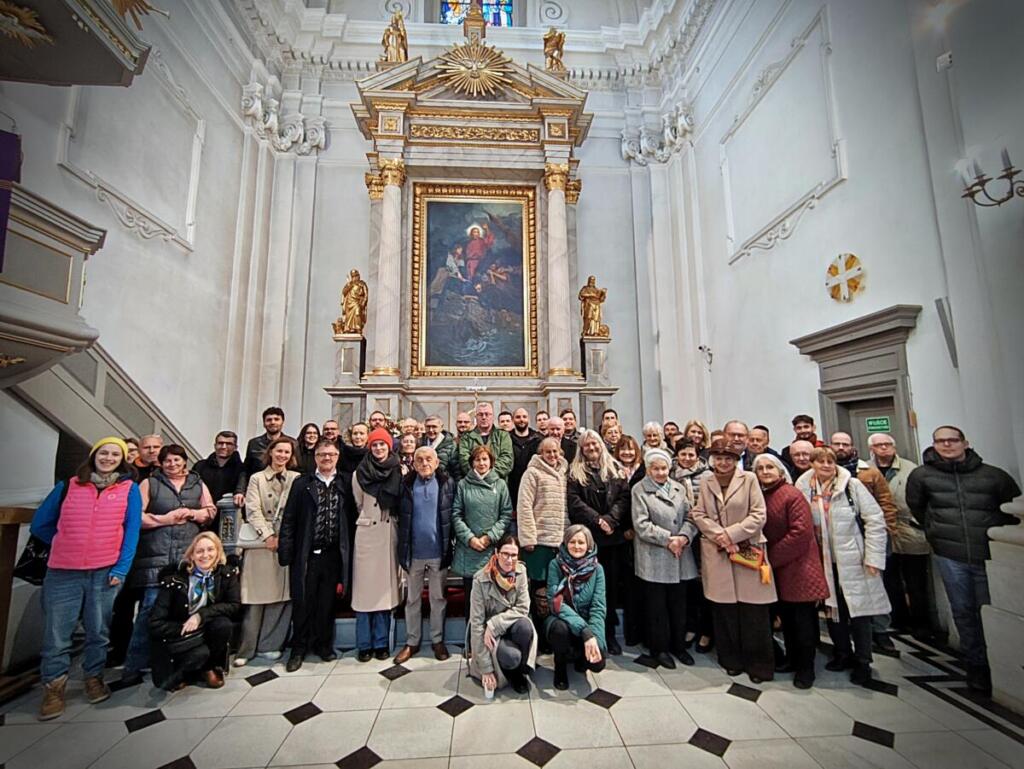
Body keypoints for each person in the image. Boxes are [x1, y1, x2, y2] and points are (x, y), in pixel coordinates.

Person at [31, 437, 141, 720]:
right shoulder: (68, 486)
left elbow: (131, 531)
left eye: (115, 454)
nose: (108, 458)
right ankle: (53, 687)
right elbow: (40, 524)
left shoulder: (128, 489)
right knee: (56, 632)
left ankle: (94, 677)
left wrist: (121, 568)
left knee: (98, 629)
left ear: (122, 460)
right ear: (94, 455)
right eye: (104, 452)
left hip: (105, 570)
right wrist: (66, 543)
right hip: (63, 570)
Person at [906, 426, 1020, 694]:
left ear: (965, 443)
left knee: (991, 609)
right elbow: (918, 508)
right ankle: (976, 664)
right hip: (950, 553)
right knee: (963, 610)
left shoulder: (993, 476)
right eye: (940, 441)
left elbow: (1011, 510)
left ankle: (1004, 664)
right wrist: (936, 532)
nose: (947, 445)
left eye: (952, 440)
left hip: (988, 553)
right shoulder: (922, 476)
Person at [795, 447, 890, 685]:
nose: (826, 465)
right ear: (812, 464)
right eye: (820, 461)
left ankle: (863, 661)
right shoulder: (804, 487)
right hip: (821, 560)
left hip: (854, 559)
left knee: (859, 612)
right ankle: (842, 652)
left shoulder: (852, 486)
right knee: (833, 609)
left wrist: (874, 557)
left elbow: (874, 520)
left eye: (830, 461)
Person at [122, 445, 215, 685]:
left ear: (184, 461)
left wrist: (192, 513)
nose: (172, 464)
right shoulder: (150, 484)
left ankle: (182, 665)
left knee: (189, 610)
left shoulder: (197, 483)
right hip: (157, 554)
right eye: (167, 461)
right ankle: (134, 665)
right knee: (150, 611)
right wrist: (164, 519)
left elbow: (210, 511)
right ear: (161, 463)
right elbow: (135, 516)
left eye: (176, 460)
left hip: (187, 556)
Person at [691, 438, 777, 683]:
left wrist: (731, 534)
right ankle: (731, 660)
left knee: (753, 612)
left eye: (728, 458)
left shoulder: (749, 479)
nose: (723, 462)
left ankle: (759, 665)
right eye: (719, 458)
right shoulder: (707, 481)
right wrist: (720, 536)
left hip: (747, 548)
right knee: (724, 610)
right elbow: (699, 513)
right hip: (718, 552)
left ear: (736, 460)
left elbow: (758, 515)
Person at [278, 438, 354, 672]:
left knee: (326, 603)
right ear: (315, 457)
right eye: (322, 454)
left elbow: (351, 517)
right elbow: (289, 518)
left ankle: (323, 645)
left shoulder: (345, 482)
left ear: (337, 457)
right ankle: (298, 649)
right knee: (303, 602)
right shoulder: (302, 483)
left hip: (333, 555)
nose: (327, 458)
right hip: (307, 554)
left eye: (331, 454)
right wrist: (286, 550)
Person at [754, 453, 828, 689]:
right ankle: (792, 659)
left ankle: (806, 669)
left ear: (780, 471)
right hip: (778, 569)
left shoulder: (791, 494)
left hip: (799, 567)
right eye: (760, 468)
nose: (765, 472)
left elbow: (800, 533)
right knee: (787, 619)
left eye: (770, 467)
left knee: (803, 622)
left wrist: (770, 558)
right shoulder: (762, 495)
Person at [829, 431, 899, 651]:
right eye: (836, 444)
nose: (841, 447)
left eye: (845, 444)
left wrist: (887, 532)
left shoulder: (868, 472)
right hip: (841, 542)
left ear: (853, 446)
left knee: (875, 587)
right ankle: (852, 637)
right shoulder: (821, 474)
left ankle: (880, 631)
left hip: (867, 538)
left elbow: (885, 503)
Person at [632, 447, 698, 669]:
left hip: (680, 554)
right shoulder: (640, 490)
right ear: (648, 469)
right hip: (656, 556)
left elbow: (691, 517)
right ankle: (659, 649)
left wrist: (683, 538)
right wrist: (669, 539)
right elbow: (641, 524)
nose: (661, 473)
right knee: (657, 609)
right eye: (656, 469)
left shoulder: (679, 488)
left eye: (664, 468)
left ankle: (679, 646)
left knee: (679, 605)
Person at [148, 532, 241, 691]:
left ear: (218, 552)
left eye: (210, 549)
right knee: (197, 654)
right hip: (179, 632)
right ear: (191, 555)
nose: (205, 555)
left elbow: (234, 605)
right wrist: (184, 628)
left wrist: (200, 616)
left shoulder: (225, 575)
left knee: (223, 625)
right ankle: (184, 672)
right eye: (199, 551)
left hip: (204, 625)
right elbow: (155, 623)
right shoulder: (175, 580)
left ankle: (208, 667)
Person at [235, 436, 299, 667]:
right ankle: (247, 647)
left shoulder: (295, 478)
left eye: (287, 452)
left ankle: (270, 644)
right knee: (255, 597)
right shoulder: (257, 478)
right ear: (270, 452)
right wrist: (268, 535)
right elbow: (252, 510)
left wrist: (285, 537)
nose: (282, 455)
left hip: (287, 541)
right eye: (279, 451)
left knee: (281, 597)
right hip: (262, 543)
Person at [568, 430, 630, 656]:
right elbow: (574, 502)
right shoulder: (574, 472)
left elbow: (624, 497)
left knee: (610, 589)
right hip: (587, 539)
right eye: (587, 445)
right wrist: (597, 520)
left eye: (594, 444)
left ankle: (609, 634)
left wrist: (611, 520)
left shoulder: (615, 469)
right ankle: (587, 634)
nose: (592, 448)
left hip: (612, 539)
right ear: (581, 449)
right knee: (586, 589)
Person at [868, 433, 932, 639]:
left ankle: (921, 623)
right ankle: (898, 619)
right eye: (879, 445)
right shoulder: (866, 470)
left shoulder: (910, 468)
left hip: (909, 529)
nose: (883, 448)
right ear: (871, 449)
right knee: (889, 579)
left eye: (887, 444)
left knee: (916, 580)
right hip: (881, 531)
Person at [394, 447, 454, 663]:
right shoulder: (406, 484)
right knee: (412, 600)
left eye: (429, 459)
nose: (424, 463)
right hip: (414, 553)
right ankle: (412, 642)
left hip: (438, 552)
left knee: (438, 599)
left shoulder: (447, 483)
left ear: (437, 463)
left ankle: (437, 640)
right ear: (414, 463)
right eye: (419, 460)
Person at [109, 433, 163, 665]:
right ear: (139, 450)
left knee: (151, 604)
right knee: (122, 603)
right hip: (127, 546)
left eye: (155, 447)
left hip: (156, 545)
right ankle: (119, 650)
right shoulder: (126, 476)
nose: (151, 451)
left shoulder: (168, 472)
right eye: (147, 447)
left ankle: (145, 654)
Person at [351, 428, 403, 661]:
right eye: (375, 445)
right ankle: (364, 643)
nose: (379, 448)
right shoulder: (359, 473)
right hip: (367, 534)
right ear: (369, 448)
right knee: (364, 592)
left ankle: (381, 642)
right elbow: (358, 502)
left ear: (389, 446)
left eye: (382, 444)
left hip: (387, 532)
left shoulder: (397, 469)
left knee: (384, 591)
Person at [467, 534, 536, 695]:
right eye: (505, 554)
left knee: (525, 626)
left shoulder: (521, 572)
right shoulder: (480, 580)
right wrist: (486, 669)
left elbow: (523, 608)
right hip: (489, 636)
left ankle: (520, 670)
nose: (509, 560)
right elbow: (476, 625)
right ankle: (510, 668)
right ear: (497, 553)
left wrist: (494, 624)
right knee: (512, 657)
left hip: (507, 625)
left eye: (514, 555)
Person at [517, 437, 569, 647]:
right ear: (540, 454)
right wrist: (528, 538)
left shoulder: (564, 473)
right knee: (539, 591)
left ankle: (554, 635)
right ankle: (538, 637)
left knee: (556, 589)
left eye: (555, 451)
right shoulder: (532, 473)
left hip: (559, 541)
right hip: (538, 542)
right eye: (547, 452)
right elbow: (524, 506)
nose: (552, 455)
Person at [452, 445, 513, 608]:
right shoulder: (463, 485)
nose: (481, 463)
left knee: (492, 603)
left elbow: (506, 514)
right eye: (477, 459)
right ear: (472, 463)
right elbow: (456, 515)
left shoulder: (500, 485)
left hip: (491, 549)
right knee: (471, 603)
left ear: (491, 462)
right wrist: (470, 538)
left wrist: (489, 537)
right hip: (469, 550)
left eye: (485, 459)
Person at [546, 525, 607, 689]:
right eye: (572, 542)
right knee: (559, 629)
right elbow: (555, 602)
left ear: (589, 545)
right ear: (566, 543)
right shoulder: (555, 564)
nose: (577, 546)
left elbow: (598, 608)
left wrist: (595, 639)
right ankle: (560, 665)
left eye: (581, 542)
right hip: (560, 619)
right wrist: (584, 631)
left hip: (587, 622)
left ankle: (581, 658)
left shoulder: (598, 569)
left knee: (598, 662)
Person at [193, 431, 247, 516]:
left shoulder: (243, 469)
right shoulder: (200, 466)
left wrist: (240, 492)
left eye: (228, 444)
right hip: (203, 513)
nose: (223, 447)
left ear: (235, 447)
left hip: (229, 516)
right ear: (215, 445)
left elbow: (242, 486)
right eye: (220, 443)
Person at [458, 402, 514, 479]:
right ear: (476, 417)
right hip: (473, 482)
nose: (484, 417)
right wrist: (478, 475)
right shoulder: (466, 437)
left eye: (487, 414)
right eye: (480, 414)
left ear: (492, 416)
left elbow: (507, 459)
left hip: (497, 482)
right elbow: (464, 460)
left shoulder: (503, 435)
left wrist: (489, 475)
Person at [508, 407, 542, 507]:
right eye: (518, 417)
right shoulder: (507, 438)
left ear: (528, 419)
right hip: (512, 487)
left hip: (533, 486)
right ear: (513, 420)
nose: (521, 419)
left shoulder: (538, 439)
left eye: (524, 417)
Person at [244, 407, 289, 479]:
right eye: (269, 420)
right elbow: (246, 470)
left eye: (276, 419)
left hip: (285, 483)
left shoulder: (292, 443)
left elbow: (297, 468)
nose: (273, 422)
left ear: (282, 422)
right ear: (264, 423)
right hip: (259, 483)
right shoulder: (254, 443)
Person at [421, 414, 458, 480]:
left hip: (444, 482)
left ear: (441, 428)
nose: (431, 430)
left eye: (434, 427)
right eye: (428, 427)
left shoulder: (451, 445)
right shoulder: (420, 443)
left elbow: (456, 469)